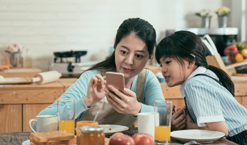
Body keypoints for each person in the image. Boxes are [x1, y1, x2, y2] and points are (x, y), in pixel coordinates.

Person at [155, 30, 247, 145]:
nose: (163, 69)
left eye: (168, 62)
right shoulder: (203, 76)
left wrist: (187, 125)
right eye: (161, 64)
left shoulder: (195, 84)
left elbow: (220, 130)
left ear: (190, 62)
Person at [36, 18, 164, 128]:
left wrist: (138, 109)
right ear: (115, 47)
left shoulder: (147, 79)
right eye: (123, 52)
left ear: (150, 56)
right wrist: (86, 101)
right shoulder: (91, 78)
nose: (129, 61)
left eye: (139, 56)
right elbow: (38, 123)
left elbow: (165, 117)